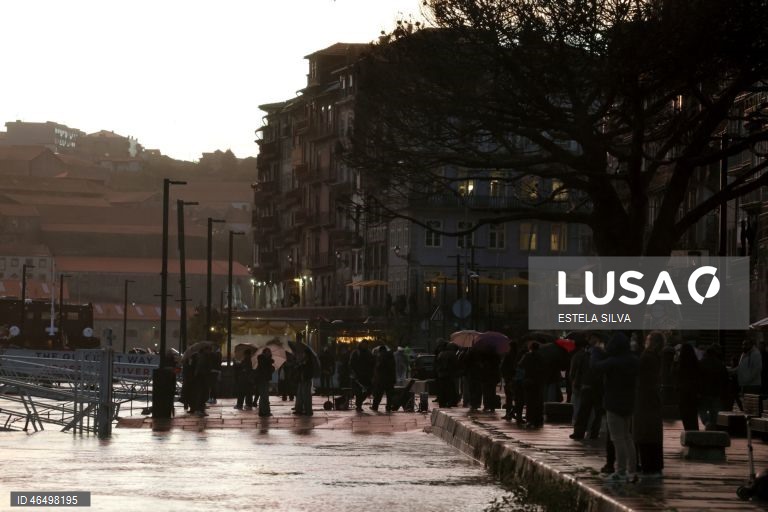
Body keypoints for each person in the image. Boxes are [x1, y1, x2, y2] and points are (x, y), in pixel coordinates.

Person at [592, 332, 639, 483]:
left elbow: (595, 367)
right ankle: (632, 470)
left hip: (614, 403)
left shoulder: (613, 361)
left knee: (617, 438)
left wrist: (596, 351)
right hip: (629, 402)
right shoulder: (634, 360)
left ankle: (621, 471)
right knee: (628, 437)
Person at [634, 331, 665, 479]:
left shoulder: (646, 357)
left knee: (644, 434)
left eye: (648, 340)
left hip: (644, 400)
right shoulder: (657, 357)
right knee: (653, 435)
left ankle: (648, 465)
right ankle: (655, 464)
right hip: (653, 400)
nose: (646, 342)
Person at [570, 332, 605, 441]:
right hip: (593, 385)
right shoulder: (599, 354)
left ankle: (582, 432)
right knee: (590, 411)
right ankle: (590, 432)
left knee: (586, 411)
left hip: (591, 385)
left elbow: (577, 371)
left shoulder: (585, 354)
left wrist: (577, 383)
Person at [698, 345, 729, 430]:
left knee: (703, 409)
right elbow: (725, 379)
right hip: (716, 392)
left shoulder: (701, 363)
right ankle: (713, 424)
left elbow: (697, 377)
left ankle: (706, 422)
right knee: (715, 410)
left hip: (704, 391)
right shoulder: (720, 364)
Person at [518, 339, 544, 428]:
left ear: (530, 347)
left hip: (528, 380)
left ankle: (530, 419)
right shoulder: (541, 357)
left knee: (529, 401)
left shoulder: (527, 356)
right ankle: (538, 419)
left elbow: (520, 365)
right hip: (538, 381)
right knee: (538, 401)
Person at [676, 343, 700, 430]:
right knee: (693, 415)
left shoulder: (680, 364)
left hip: (683, 393)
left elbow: (674, 375)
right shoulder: (695, 363)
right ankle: (694, 431)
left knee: (685, 416)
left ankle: (688, 431)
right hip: (693, 393)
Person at [349, 340, 375, 412]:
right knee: (358, 392)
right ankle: (359, 405)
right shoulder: (356, 352)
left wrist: (372, 374)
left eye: (366, 344)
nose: (364, 345)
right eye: (363, 344)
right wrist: (353, 373)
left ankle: (358, 403)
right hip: (358, 375)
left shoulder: (369, 353)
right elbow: (351, 364)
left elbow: (372, 363)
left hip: (367, 375)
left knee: (369, 390)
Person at [371, 345, 396, 411]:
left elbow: (379, 367)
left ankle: (375, 406)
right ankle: (388, 407)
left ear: (380, 351)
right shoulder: (391, 356)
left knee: (378, 394)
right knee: (389, 395)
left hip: (382, 379)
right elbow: (393, 368)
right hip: (390, 379)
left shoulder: (381, 357)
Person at [500, 340, 518, 420]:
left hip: (509, 378)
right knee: (517, 397)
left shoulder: (508, 356)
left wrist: (504, 375)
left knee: (509, 397)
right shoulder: (518, 355)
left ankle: (508, 413)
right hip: (517, 378)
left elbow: (502, 367)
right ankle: (514, 412)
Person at [294, 345, 315, 416]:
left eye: (304, 353)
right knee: (300, 395)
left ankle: (308, 410)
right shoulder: (303, 360)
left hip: (306, 380)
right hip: (301, 379)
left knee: (306, 395)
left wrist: (302, 365)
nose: (303, 354)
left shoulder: (309, 362)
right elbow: (299, 368)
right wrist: (299, 365)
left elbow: (308, 371)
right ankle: (299, 409)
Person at [255, 348, 275, 417]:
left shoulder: (268, 360)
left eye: (269, 352)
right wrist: (270, 361)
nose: (268, 353)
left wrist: (272, 368)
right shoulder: (261, 358)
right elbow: (263, 367)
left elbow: (268, 370)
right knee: (264, 396)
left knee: (265, 396)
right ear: (264, 353)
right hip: (261, 379)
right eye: (267, 352)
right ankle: (264, 411)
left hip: (266, 379)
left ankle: (264, 411)